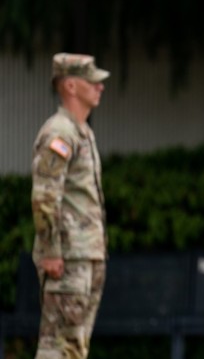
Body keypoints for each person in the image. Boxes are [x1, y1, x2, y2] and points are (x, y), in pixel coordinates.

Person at [31, 53, 110, 359]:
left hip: (86, 255)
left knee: (74, 348)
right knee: (59, 347)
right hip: (68, 256)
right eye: (93, 81)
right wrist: (51, 250)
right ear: (72, 86)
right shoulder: (59, 133)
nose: (100, 87)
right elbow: (45, 196)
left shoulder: (82, 132)